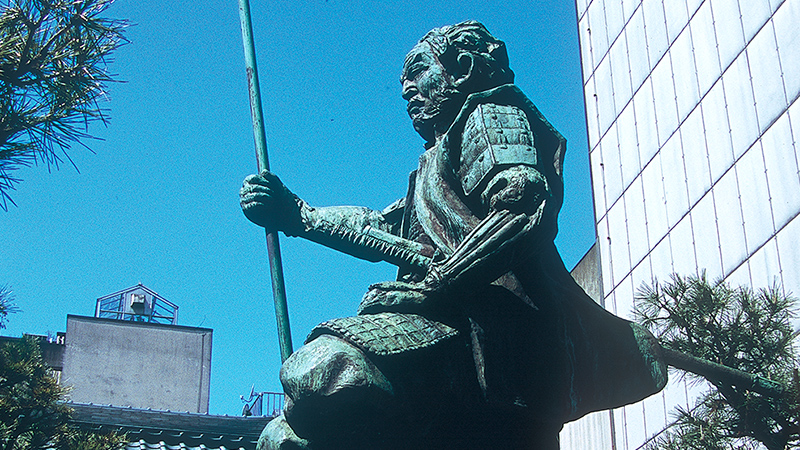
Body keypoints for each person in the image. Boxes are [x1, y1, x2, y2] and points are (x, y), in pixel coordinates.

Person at [241, 21, 666, 450]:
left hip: (490, 332)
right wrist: (300, 215)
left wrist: (437, 286)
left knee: (326, 369)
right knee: (281, 436)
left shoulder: (490, 115)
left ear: (462, 68)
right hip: (453, 334)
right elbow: (383, 227)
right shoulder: (432, 162)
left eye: (418, 72)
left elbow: (521, 207)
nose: (407, 90)